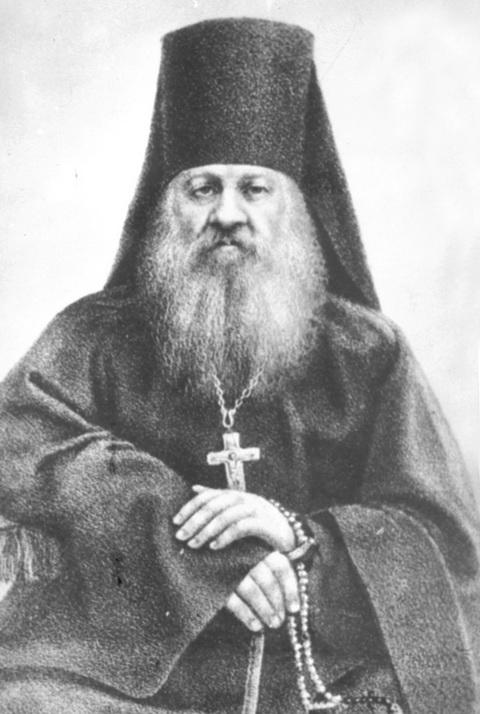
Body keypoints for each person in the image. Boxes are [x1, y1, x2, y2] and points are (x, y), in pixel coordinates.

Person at [0, 17, 478, 714]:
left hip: (312, 675)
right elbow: (15, 441)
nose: (227, 213)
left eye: (254, 188)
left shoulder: (367, 353)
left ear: (297, 209)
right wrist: (184, 535)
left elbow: (439, 538)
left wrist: (295, 534)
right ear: (166, 208)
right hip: (132, 680)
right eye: (202, 188)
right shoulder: (93, 337)